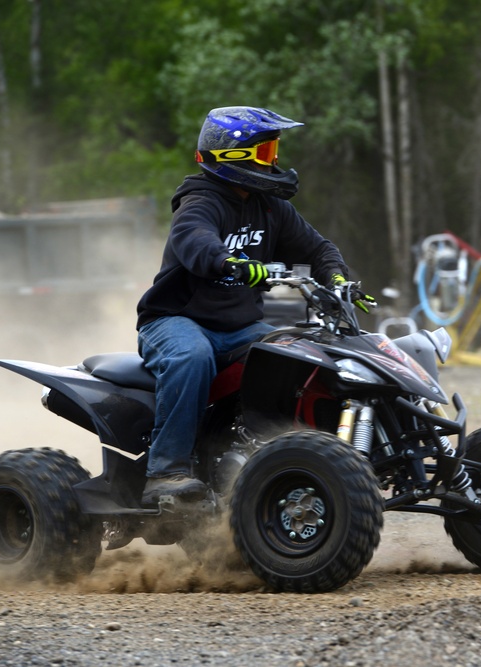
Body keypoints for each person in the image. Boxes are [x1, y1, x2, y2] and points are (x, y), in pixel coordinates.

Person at [135, 105, 371, 505]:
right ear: (231, 155)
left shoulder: (270, 207)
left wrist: (337, 278)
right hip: (175, 321)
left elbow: (318, 248)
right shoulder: (199, 202)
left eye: (273, 151)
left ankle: (275, 458)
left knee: (300, 354)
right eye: (265, 153)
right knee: (192, 357)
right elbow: (195, 241)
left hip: (239, 328)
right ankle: (166, 472)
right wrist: (233, 264)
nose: (273, 161)